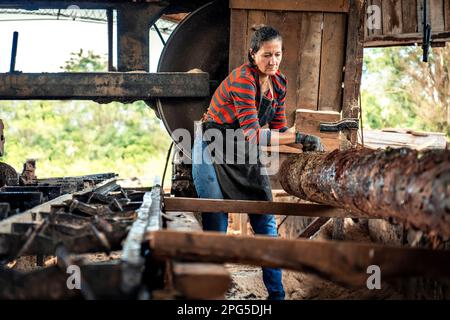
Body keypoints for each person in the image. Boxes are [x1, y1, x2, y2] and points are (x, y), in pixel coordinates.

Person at [191, 25, 323, 300]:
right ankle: (210, 296)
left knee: (265, 221)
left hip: (244, 146)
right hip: (212, 144)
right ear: (253, 54)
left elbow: (276, 128)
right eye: (266, 55)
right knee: (216, 213)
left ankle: (277, 296)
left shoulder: (280, 84)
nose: (272, 61)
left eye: (277, 54)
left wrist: (297, 142)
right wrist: (297, 138)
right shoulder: (242, 79)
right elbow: (254, 132)